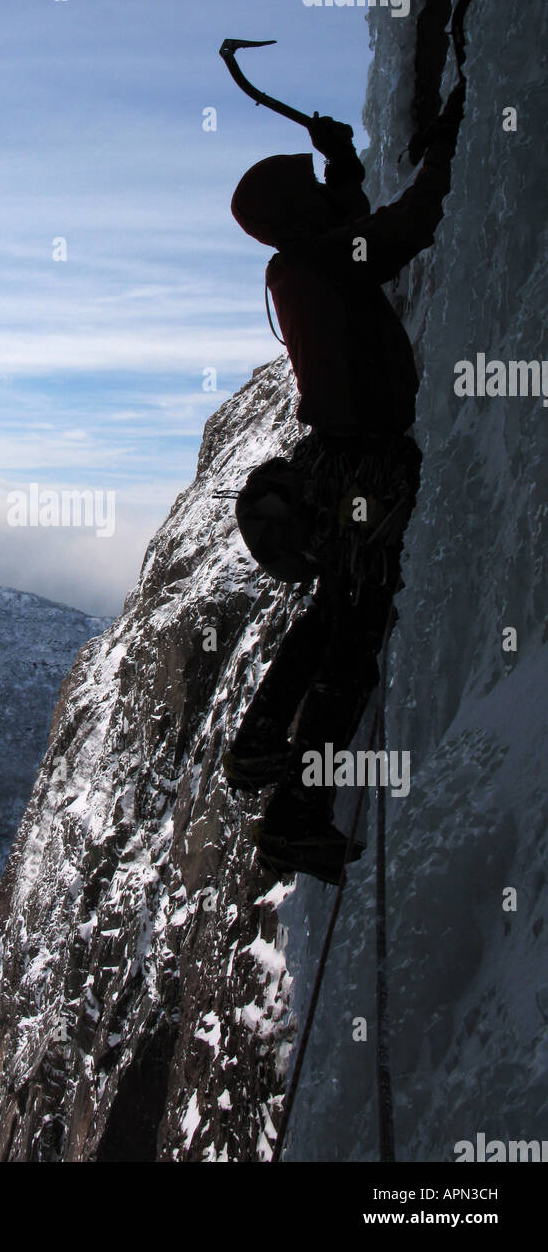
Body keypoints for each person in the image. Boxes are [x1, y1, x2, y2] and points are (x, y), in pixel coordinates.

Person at [225, 81, 467, 884]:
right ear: (296, 214)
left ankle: (259, 744)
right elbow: (397, 232)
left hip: (333, 462)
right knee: (354, 638)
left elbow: (346, 231)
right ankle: (296, 814)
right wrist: (443, 149)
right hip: (364, 465)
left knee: (333, 610)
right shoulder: (322, 257)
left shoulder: (297, 264)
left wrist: (341, 166)